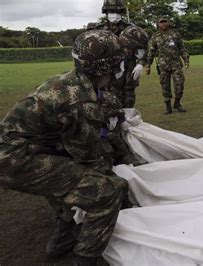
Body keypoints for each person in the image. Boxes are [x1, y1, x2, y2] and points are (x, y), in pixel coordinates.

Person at [0, 30, 130, 265]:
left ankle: (61, 242)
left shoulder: (70, 81)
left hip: (19, 152)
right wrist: (119, 178)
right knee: (107, 191)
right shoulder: (82, 100)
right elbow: (87, 157)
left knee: (68, 183)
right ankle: (85, 259)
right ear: (104, 68)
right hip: (16, 159)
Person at [146, 16, 190, 114]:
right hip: (163, 66)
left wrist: (186, 60)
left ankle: (177, 103)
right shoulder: (155, 36)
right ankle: (168, 107)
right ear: (158, 24)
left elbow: (182, 48)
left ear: (168, 22)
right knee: (165, 86)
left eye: (165, 21)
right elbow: (151, 52)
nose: (163, 23)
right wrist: (148, 65)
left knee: (179, 85)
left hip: (176, 64)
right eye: (161, 22)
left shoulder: (175, 34)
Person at [117, 25, 149, 108]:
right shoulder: (113, 52)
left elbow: (146, 53)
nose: (138, 51)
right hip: (113, 91)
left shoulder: (139, 44)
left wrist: (140, 63)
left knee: (129, 97)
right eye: (136, 48)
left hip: (129, 81)